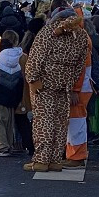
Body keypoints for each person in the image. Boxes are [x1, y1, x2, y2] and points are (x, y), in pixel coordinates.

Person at [23, 9, 90, 173]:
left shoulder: (48, 32)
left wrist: (32, 79)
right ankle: (55, 160)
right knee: (60, 123)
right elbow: (80, 63)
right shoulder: (81, 35)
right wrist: (70, 81)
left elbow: (36, 57)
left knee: (43, 122)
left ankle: (41, 160)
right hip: (64, 85)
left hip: (44, 83)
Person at [64, 8, 94, 169]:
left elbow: (78, 68)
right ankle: (75, 154)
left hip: (80, 88)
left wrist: (74, 90)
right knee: (76, 122)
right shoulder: (82, 37)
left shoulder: (79, 39)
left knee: (75, 122)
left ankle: (76, 156)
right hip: (83, 87)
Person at [0, 29, 23, 156]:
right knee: (9, 122)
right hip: (13, 94)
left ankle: (2, 147)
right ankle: (8, 145)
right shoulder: (19, 56)